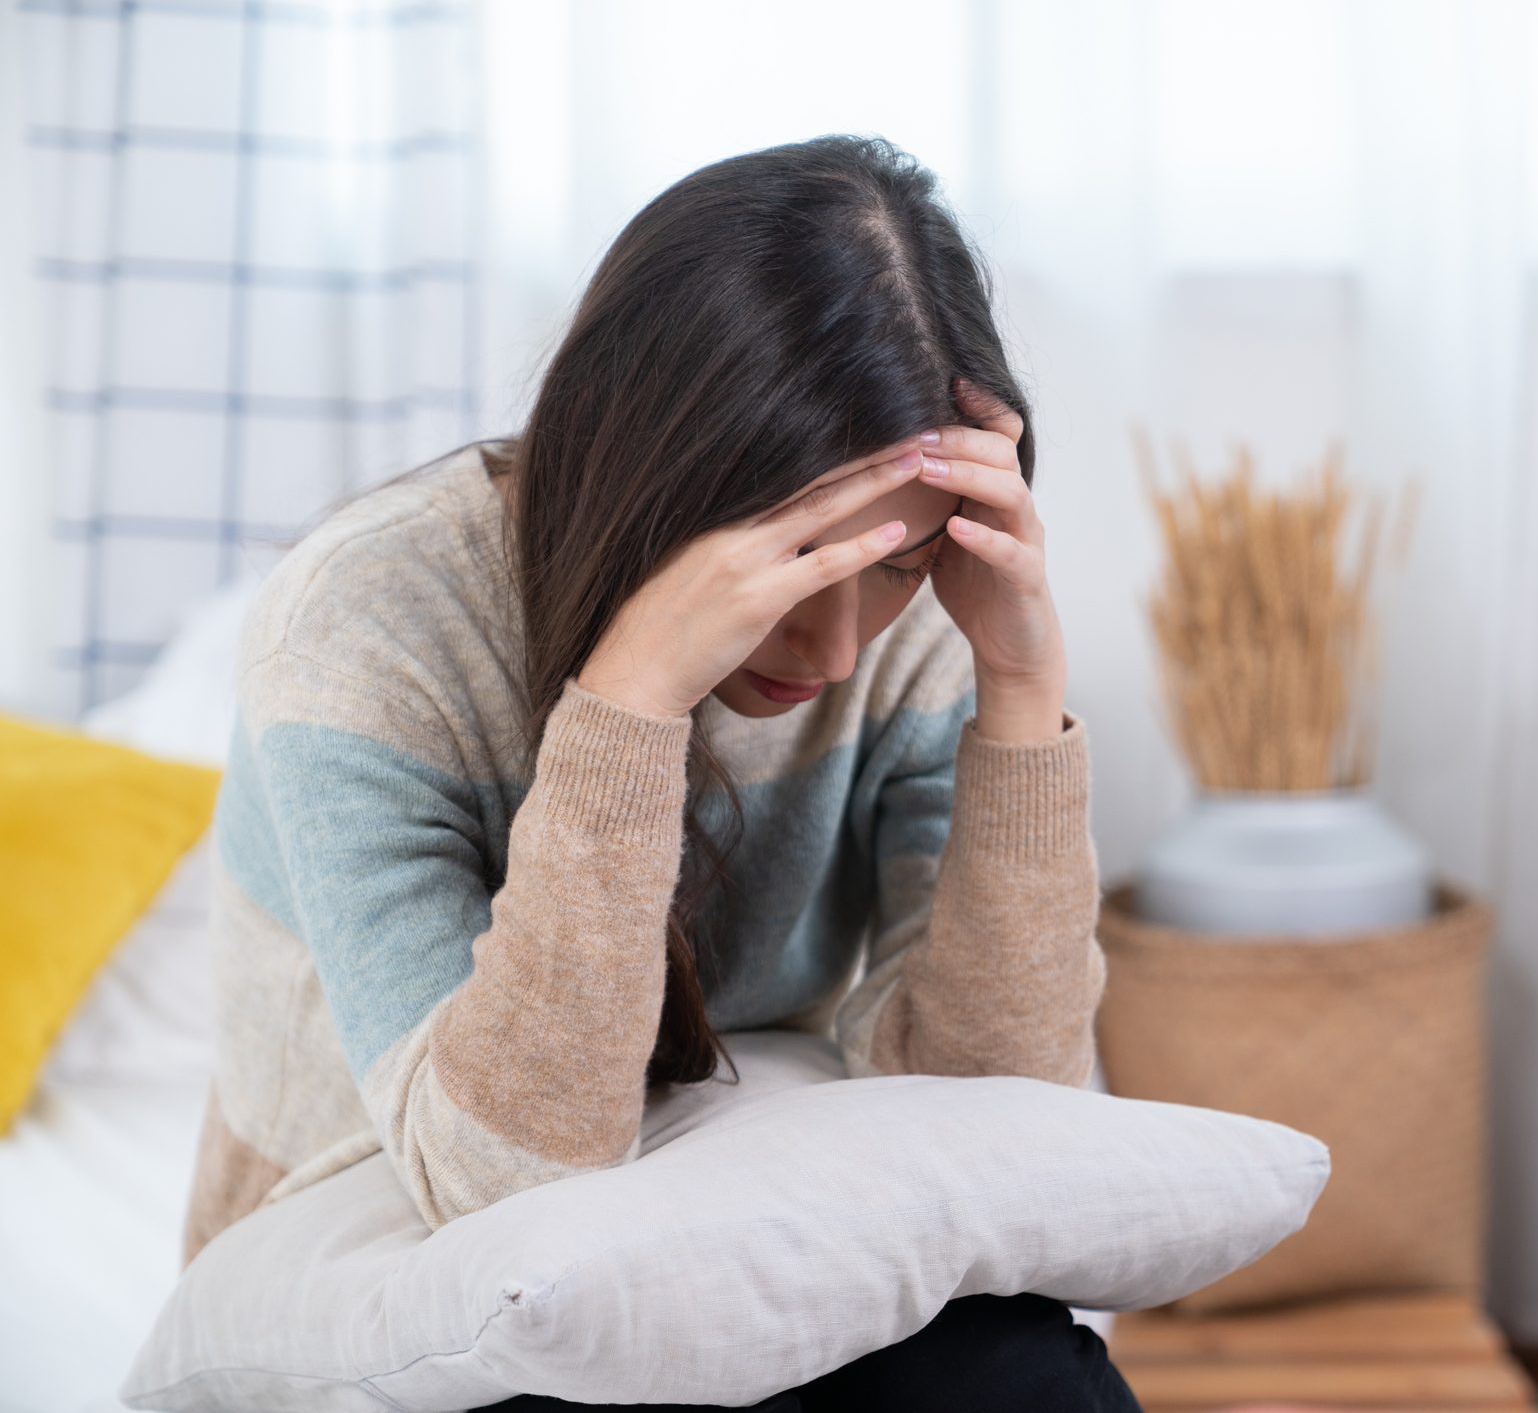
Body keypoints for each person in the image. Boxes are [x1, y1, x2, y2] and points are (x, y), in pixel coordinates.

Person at [178, 133, 1140, 1410]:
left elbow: (992, 1110)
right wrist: (629, 699)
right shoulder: (366, 622)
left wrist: (1019, 696)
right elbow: (506, 1185)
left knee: (1022, 1372)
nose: (841, 645)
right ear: (651, 480)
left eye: (895, 571)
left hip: (701, 1205)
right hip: (376, 1230)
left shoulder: (923, 623)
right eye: (793, 568)